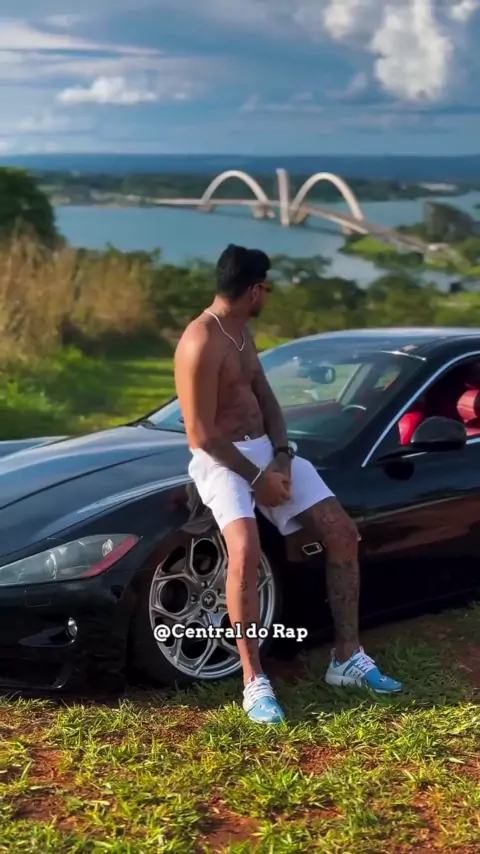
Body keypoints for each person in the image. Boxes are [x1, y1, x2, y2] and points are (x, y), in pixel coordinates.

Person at [174, 244, 402, 725]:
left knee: (342, 532)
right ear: (255, 290)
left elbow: (266, 400)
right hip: (221, 460)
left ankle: (347, 659)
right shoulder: (200, 340)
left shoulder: (241, 331)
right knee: (245, 550)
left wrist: (281, 454)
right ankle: (253, 681)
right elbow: (200, 433)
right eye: (267, 289)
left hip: (264, 452)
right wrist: (258, 480)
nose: (267, 296)